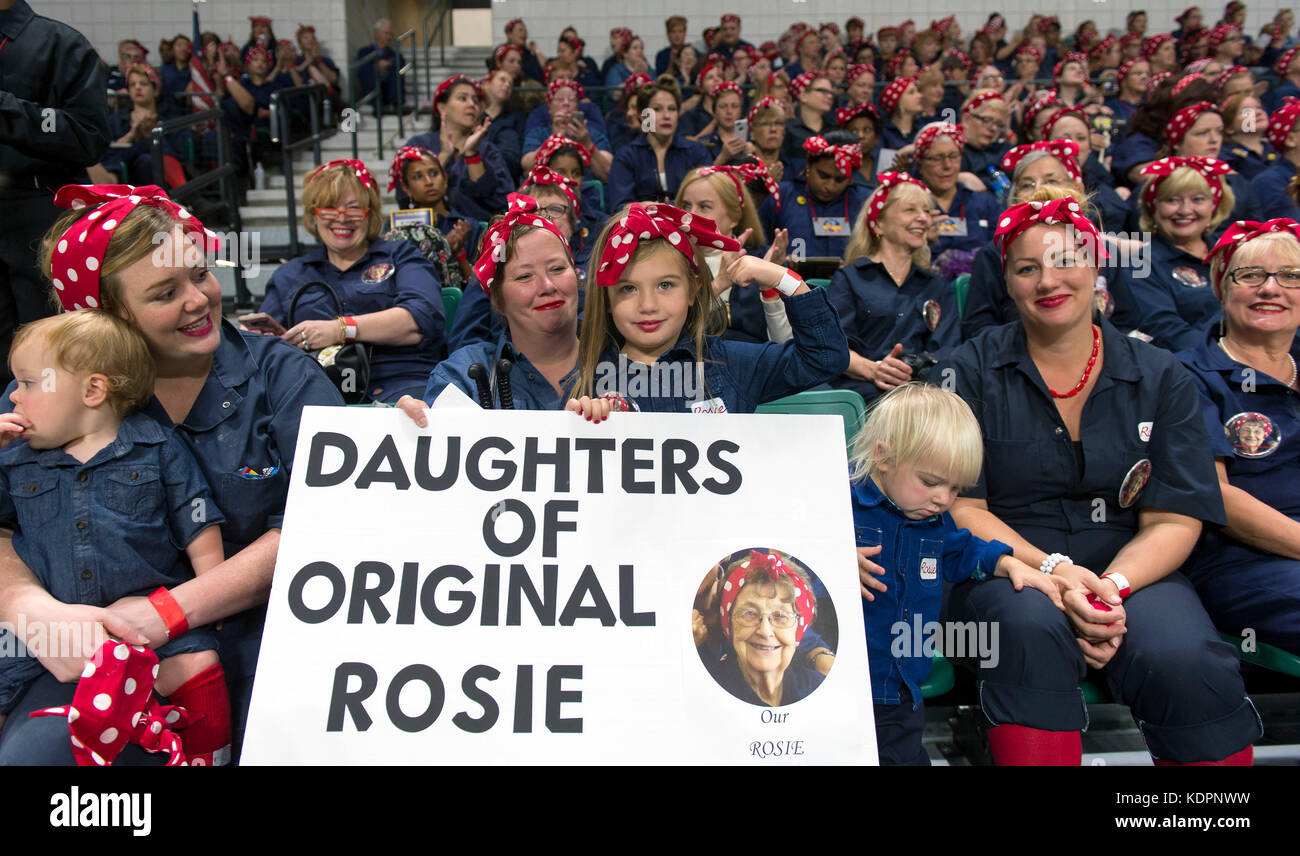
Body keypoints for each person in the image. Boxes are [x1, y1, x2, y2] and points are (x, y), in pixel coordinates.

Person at [0, 184, 343, 764]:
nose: (198, 299)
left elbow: (330, 517)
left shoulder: (281, 373)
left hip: (266, 631)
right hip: (87, 643)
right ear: (105, 315)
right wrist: (28, 608)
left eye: (200, 274)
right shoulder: (43, 393)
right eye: (165, 292)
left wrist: (167, 612)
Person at [936, 192, 1261, 766]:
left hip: (1132, 564)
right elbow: (963, 507)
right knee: (1027, 629)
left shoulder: (1163, 374)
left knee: (1184, 656)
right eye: (1027, 268)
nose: (1048, 281)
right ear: (1007, 281)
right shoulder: (969, 369)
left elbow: (1174, 517)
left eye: (1065, 261)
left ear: (1095, 266)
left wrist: (1110, 590)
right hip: (1008, 563)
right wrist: (1055, 574)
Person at [0, 311, 232, 764]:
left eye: (28, 383)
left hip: (144, 610)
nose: (13, 396)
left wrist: (211, 588)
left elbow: (196, 518)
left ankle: (210, 754)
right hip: (46, 624)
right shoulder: (16, 460)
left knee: (200, 662)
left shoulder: (157, 446)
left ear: (92, 390)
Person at [851, 383, 1063, 764]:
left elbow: (967, 550)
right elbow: (788, 550)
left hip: (902, 688)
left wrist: (1010, 562)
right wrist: (836, 558)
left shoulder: (934, 521)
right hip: (841, 684)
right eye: (931, 483)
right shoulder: (837, 503)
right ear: (883, 456)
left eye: (955, 489)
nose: (943, 500)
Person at [566, 202, 849, 417]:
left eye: (665, 285)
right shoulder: (585, 378)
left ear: (693, 289)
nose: (648, 306)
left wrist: (782, 278)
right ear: (606, 299)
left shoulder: (731, 364)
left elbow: (825, 357)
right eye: (628, 289)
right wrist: (585, 421)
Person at [1177, 220, 1300, 656]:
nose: (1271, 288)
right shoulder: (1187, 376)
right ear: (1220, 289)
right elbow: (1219, 499)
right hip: (1245, 560)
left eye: (1291, 276)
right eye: (1250, 276)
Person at [257, 160, 446, 404]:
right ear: (314, 214)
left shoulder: (401, 255)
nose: (341, 218)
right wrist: (259, 337)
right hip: (314, 390)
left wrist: (339, 329)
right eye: (329, 208)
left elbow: (421, 319)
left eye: (353, 208)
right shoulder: (290, 274)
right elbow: (266, 347)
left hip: (402, 384)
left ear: (370, 214)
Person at [0, 0, 112, 390]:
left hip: (38, 214)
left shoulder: (60, 44)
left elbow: (89, 135)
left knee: (52, 350)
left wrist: (8, 110)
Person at [399, 192, 580, 416]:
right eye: (525, 276)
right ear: (497, 299)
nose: (547, 285)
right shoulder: (464, 379)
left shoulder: (623, 368)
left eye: (558, 269)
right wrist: (409, 434)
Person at [828, 173, 958, 404]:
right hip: (863, 392)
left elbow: (949, 350)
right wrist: (874, 369)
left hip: (923, 397)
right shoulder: (849, 279)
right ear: (879, 223)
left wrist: (918, 371)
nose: (923, 218)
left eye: (926, 211)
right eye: (910, 210)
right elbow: (833, 348)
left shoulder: (937, 286)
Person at [1118, 156, 1235, 351]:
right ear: (1153, 207)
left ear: (1214, 206)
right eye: (1172, 200)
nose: (1185, 210)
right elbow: (1165, 330)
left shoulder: (1234, 251)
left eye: (1198, 199)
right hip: (1202, 369)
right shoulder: (1140, 263)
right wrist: (1231, 357)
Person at [694, 550, 824, 707]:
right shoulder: (706, 693)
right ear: (729, 625)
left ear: (798, 630)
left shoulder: (820, 689)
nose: (765, 631)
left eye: (781, 616)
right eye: (749, 614)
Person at [676, 164, 789, 344]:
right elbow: (671, 335)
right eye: (685, 206)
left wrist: (769, 287)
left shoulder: (763, 258)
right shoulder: (672, 261)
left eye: (704, 206)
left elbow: (784, 342)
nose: (690, 215)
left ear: (735, 217)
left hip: (757, 364)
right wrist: (719, 284)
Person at [402, 75, 513, 222]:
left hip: (479, 235)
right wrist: (443, 156)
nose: (471, 104)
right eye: (463, 98)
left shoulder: (487, 150)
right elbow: (405, 197)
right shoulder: (418, 145)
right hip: (427, 232)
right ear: (442, 107)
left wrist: (471, 154)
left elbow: (501, 201)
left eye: (475, 100)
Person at [384, 146, 480, 291]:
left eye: (434, 173)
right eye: (417, 176)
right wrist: (440, 248)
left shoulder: (467, 226)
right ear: (405, 187)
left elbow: (479, 288)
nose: (428, 181)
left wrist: (459, 255)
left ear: (445, 178)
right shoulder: (395, 228)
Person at [607, 77, 711, 210]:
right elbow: (619, 207)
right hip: (641, 227)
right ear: (644, 116)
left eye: (672, 109)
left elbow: (707, 199)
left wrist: (666, 207)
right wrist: (654, 209)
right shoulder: (626, 156)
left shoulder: (697, 152)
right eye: (657, 109)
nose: (667, 116)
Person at [763, 132, 871, 260]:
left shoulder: (866, 201)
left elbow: (879, 244)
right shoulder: (781, 196)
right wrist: (778, 260)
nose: (830, 186)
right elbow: (758, 244)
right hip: (789, 277)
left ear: (851, 178)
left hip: (849, 278)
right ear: (808, 165)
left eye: (839, 180)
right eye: (823, 176)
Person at [521, 78, 612, 180]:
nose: (566, 103)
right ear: (549, 108)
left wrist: (587, 143)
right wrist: (553, 139)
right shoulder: (538, 134)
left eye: (571, 100)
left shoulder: (592, 134)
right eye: (560, 99)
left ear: (577, 107)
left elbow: (608, 172)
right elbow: (527, 168)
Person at [1219, 92, 1276, 179]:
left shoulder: (1277, 149)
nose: (1258, 112)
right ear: (1228, 127)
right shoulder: (1226, 157)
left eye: (1259, 107)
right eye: (1247, 111)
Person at [356, 18, 403, 109]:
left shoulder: (396, 55)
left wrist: (387, 64)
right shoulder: (364, 52)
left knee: (396, 67)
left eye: (390, 34)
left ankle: (395, 102)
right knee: (366, 68)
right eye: (386, 33)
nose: (389, 37)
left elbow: (400, 66)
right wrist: (376, 65)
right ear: (377, 33)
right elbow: (362, 70)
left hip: (389, 90)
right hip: (372, 89)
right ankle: (376, 103)